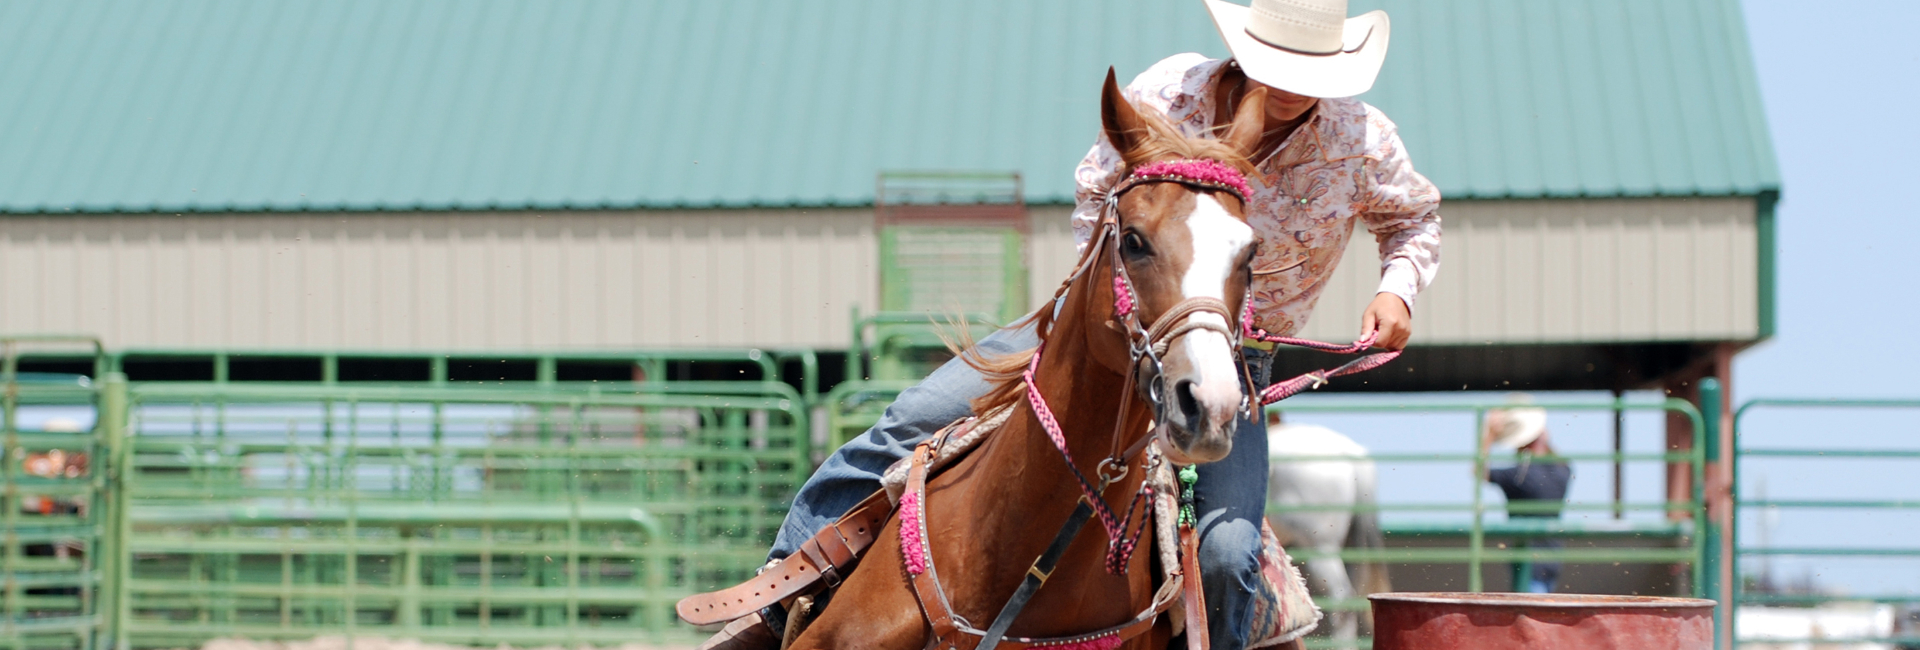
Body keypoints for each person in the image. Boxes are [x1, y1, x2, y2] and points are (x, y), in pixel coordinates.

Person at [703, 0, 1441, 648]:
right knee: (915, 416)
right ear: (1247, 53)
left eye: (1309, 72)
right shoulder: (1168, 93)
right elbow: (1097, 192)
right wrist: (1114, 302)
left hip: (1229, 355)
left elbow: (1412, 219)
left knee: (1227, 551)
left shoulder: (1362, 141)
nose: (1291, 86)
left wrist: (1397, 292)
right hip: (1096, 328)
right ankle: (780, 595)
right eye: (1278, 65)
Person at [1481, 401, 1573, 594]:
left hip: (1528, 561)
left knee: (1528, 618)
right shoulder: (1563, 471)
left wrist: (1489, 434)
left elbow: (1480, 471)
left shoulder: (1519, 477)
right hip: (1553, 556)